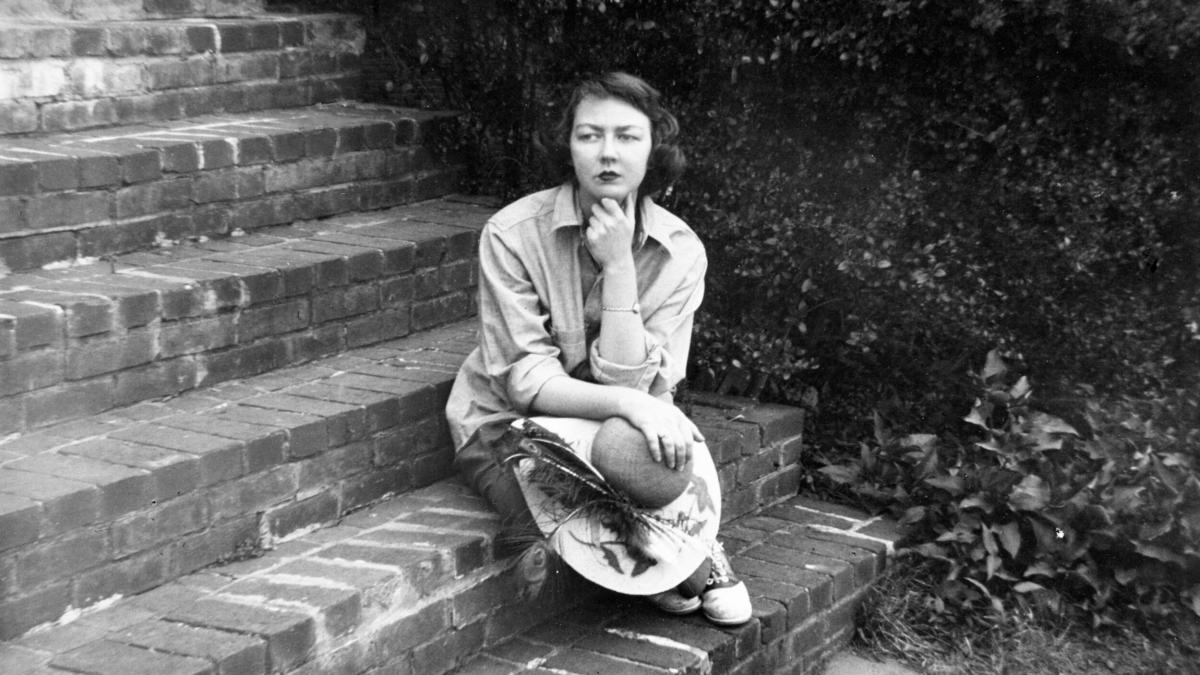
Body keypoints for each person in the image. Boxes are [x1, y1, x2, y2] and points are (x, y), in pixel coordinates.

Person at [445, 71, 752, 626]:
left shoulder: (680, 251)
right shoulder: (512, 233)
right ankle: (683, 559)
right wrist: (631, 406)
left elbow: (636, 388)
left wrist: (618, 267)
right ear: (568, 144)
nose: (607, 153)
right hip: (507, 422)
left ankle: (689, 546)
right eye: (590, 135)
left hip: (616, 428)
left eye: (627, 136)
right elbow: (527, 383)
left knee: (642, 471)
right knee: (573, 525)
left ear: (654, 146)